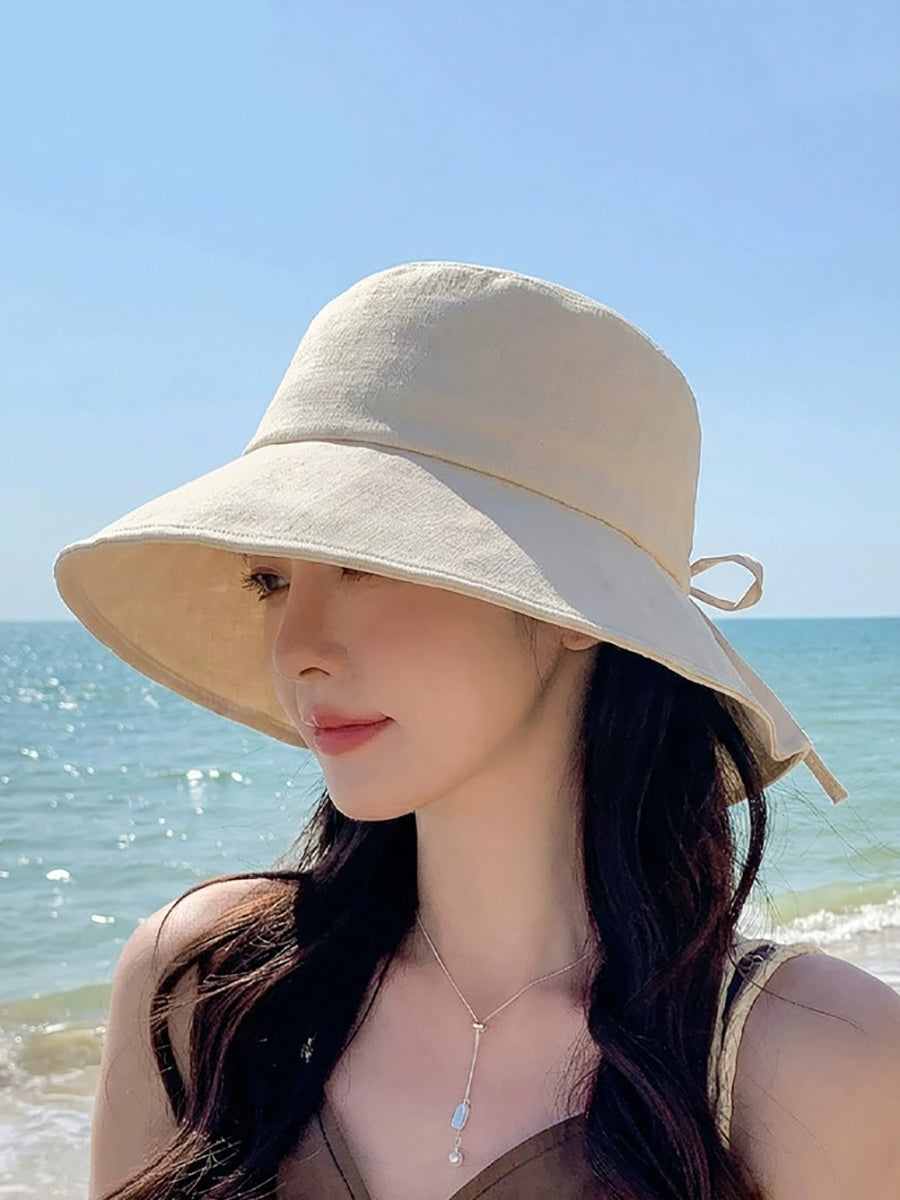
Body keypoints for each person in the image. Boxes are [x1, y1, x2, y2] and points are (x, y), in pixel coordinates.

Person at [54, 261, 900, 1200]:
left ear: (576, 604)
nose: (296, 648)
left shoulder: (818, 1067)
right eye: (271, 581)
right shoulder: (204, 990)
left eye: (365, 564)